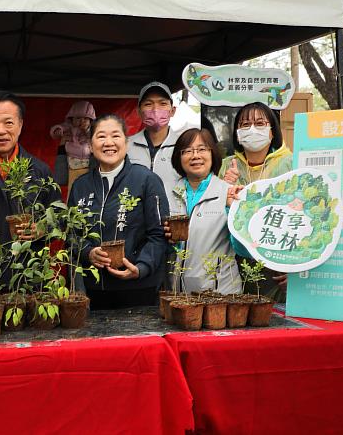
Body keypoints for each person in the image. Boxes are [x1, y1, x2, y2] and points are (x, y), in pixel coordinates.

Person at [68, 114, 169, 309]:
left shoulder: (147, 180)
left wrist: (141, 267)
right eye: (101, 137)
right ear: (90, 144)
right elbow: (71, 235)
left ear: (127, 142)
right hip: (96, 288)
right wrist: (88, 252)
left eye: (115, 136)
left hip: (140, 287)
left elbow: (159, 235)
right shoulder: (81, 186)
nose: (108, 143)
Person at [0, 90, 61, 245]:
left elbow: (59, 219)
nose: (1, 131)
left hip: (28, 265)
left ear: (20, 125)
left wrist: (43, 229)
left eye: (8, 123)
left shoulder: (40, 170)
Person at [219, 102, 293, 299]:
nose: (252, 129)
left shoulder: (291, 163)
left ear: (272, 131)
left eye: (260, 123)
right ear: (237, 133)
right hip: (235, 262)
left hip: (278, 264)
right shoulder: (226, 166)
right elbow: (213, 214)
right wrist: (223, 187)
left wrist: (296, 268)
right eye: (245, 124)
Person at [165, 127, 242, 294]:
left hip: (221, 290)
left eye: (201, 149)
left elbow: (241, 244)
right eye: (187, 151)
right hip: (177, 291)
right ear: (179, 157)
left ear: (212, 154)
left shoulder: (228, 193)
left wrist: (231, 210)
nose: (195, 156)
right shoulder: (169, 194)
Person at [127, 81, 193, 215]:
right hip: (133, 224)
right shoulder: (125, 146)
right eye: (148, 104)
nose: (155, 109)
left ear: (172, 110)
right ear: (138, 112)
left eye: (162, 103)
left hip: (173, 225)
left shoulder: (185, 146)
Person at [51, 100, 95, 193]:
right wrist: (58, 130)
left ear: (91, 121)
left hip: (88, 161)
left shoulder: (91, 130)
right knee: (73, 189)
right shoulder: (70, 127)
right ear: (71, 119)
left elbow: (93, 135)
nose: (82, 121)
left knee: (89, 189)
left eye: (85, 119)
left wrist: (86, 130)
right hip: (72, 161)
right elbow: (58, 129)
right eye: (78, 118)